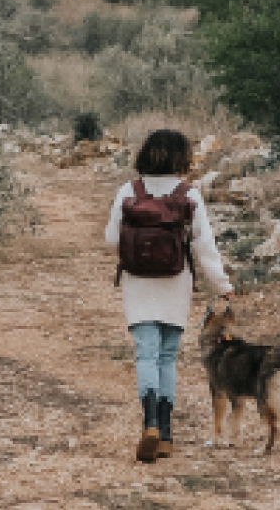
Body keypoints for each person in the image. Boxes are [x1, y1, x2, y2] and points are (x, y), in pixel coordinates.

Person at [105, 129, 233, 462]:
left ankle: (148, 422)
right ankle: (165, 433)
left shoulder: (127, 191)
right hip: (176, 282)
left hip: (137, 283)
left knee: (145, 354)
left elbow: (109, 239)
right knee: (167, 357)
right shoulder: (188, 194)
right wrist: (223, 285)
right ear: (181, 158)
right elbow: (204, 246)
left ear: (145, 154)